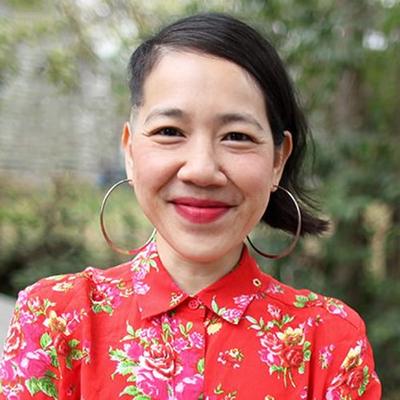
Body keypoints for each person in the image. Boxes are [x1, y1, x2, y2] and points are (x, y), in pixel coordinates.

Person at [0, 13, 381, 400]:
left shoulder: (329, 342)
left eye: (237, 136)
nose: (201, 170)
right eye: (169, 131)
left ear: (277, 161)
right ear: (130, 151)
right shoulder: (54, 318)